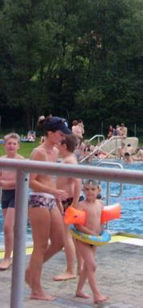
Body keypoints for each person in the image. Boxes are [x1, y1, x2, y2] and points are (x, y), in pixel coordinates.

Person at [25, 116, 74, 301]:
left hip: (51, 199)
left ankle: (30, 272)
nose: (63, 138)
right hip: (38, 199)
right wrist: (54, 191)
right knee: (40, 245)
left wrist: (56, 197)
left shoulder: (54, 152)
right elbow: (31, 182)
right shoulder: (39, 153)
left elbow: (50, 178)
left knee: (59, 242)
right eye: (60, 134)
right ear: (50, 133)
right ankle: (35, 289)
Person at [73, 180, 109, 303]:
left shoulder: (101, 204)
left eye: (93, 189)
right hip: (83, 239)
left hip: (95, 239)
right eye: (87, 189)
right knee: (92, 266)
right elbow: (77, 226)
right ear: (83, 190)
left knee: (87, 267)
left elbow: (102, 220)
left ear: (99, 190)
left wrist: (100, 234)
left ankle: (79, 291)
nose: (90, 192)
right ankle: (97, 295)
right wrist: (92, 234)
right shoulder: (80, 205)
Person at [54, 134, 81, 282]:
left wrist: (74, 203)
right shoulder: (68, 160)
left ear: (64, 146)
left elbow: (78, 182)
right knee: (75, 237)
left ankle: (71, 270)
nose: (57, 147)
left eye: (59, 144)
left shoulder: (69, 162)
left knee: (67, 236)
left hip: (70, 202)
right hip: (68, 201)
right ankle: (78, 267)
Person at [0, 133, 25, 271]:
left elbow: (22, 182)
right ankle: (15, 255)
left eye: (14, 144)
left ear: (18, 146)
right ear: (4, 146)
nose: (11, 146)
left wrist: (5, 183)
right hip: (5, 195)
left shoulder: (21, 161)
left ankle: (7, 258)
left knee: (7, 227)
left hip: (17, 195)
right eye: (9, 143)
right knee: (11, 229)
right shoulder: (2, 160)